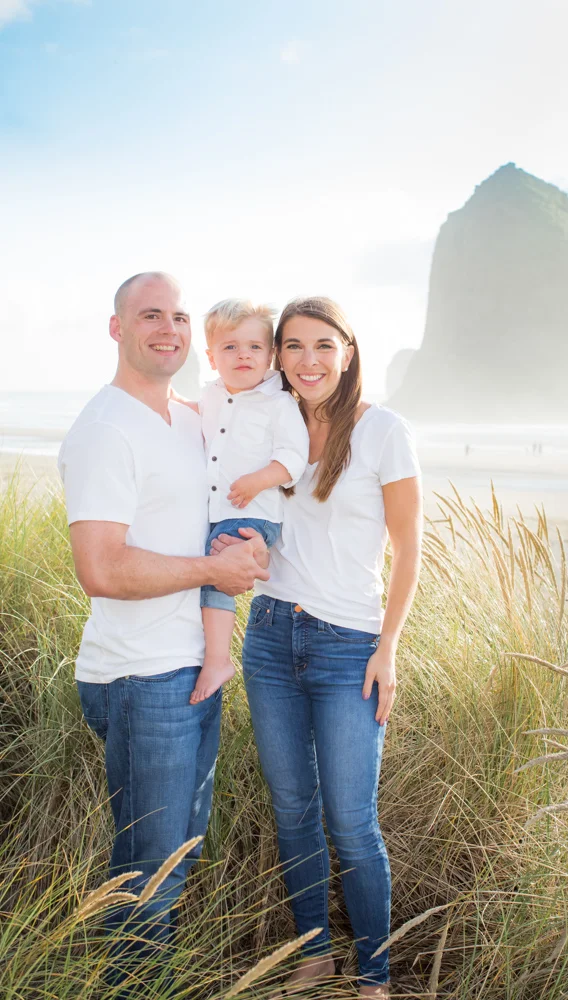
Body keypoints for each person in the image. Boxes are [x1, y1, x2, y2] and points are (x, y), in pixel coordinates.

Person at [57, 272, 269, 989]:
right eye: (151, 315)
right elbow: (103, 569)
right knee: (148, 873)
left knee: (175, 856)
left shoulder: (190, 417)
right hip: (140, 676)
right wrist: (215, 574)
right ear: (117, 328)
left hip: (191, 670)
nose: (169, 329)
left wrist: (249, 553)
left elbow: (221, 511)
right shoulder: (105, 428)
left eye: (179, 316)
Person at [236, 296, 422, 998]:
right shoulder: (267, 428)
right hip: (271, 637)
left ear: (347, 351)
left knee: (350, 819)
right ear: (277, 356)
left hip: (350, 645)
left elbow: (408, 551)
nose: (306, 360)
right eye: (291, 346)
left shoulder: (383, 431)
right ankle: (314, 959)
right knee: (292, 810)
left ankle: (371, 975)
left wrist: (388, 648)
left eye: (321, 345)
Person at [189, 299, 309, 704]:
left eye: (255, 347)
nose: (244, 354)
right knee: (203, 563)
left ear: (271, 354)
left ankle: (218, 659)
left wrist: (260, 479)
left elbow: (295, 459)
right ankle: (207, 647)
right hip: (217, 513)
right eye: (230, 347)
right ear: (211, 357)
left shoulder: (278, 404)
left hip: (254, 515)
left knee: (217, 566)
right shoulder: (210, 396)